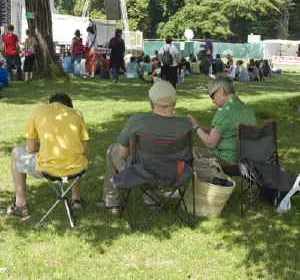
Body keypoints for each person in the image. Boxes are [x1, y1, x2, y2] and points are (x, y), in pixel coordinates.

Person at [97, 80, 192, 214]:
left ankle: (112, 205)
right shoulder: (186, 124)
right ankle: (153, 202)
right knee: (150, 162)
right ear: (175, 103)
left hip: (141, 174)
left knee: (113, 150)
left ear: (150, 103)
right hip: (175, 174)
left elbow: (122, 154)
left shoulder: (137, 121)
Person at [2, 93, 89, 217]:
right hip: (76, 169)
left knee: (16, 151)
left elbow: (30, 148)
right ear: (69, 106)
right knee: (77, 155)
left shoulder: (37, 112)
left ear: (49, 103)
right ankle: (76, 200)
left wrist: (44, 145)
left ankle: (21, 205)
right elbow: (84, 150)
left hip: (47, 169)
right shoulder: (77, 114)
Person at [188, 76, 257, 166]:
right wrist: (208, 130)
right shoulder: (246, 109)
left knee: (188, 154)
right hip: (248, 159)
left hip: (229, 160)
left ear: (221, 91)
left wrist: (196, 126)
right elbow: (230, 131)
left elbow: (210, 143)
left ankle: (221, 180)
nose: (213, 101)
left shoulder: (224, 112)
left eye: (212, 96)